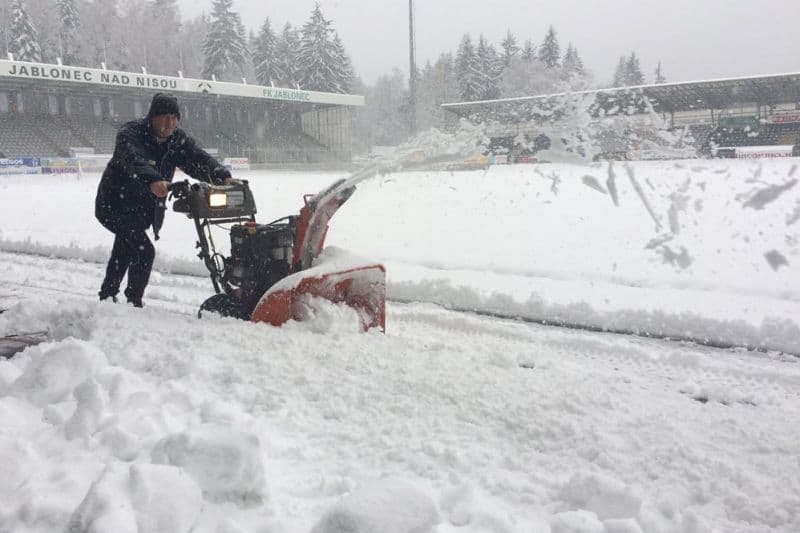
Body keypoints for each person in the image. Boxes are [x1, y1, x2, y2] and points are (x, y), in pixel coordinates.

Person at [95, 92, 233, 307]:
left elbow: (197, 158)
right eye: (165, 117)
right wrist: (153, 180)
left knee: (125, 247)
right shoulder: (130, 134)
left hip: (141, 208)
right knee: (143, 250)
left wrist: (221, 175)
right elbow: (134, 159)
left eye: (175, 117)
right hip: (115, 204)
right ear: (152, 117)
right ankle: (133, 301)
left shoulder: (177, 139)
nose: (171, 123)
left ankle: (107, 295)